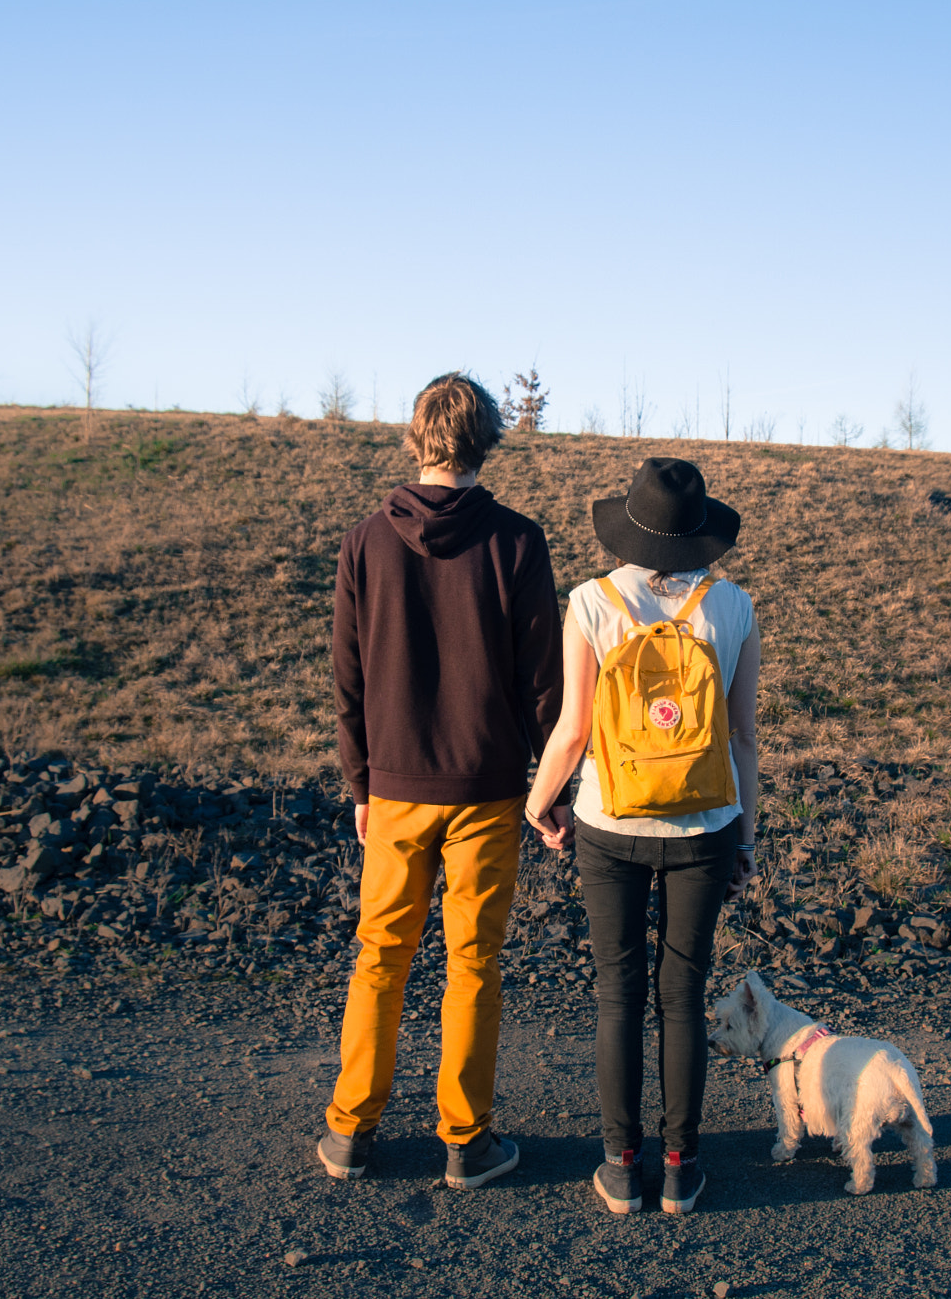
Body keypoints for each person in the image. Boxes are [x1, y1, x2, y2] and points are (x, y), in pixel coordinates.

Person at [317, 372, 564, 1189]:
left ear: (416, 439)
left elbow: (346, 677)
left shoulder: (364, 541)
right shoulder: (518, 542)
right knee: (473, 963)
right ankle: (467, 1140)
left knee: (379, 956)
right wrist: (550, 786)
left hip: (392, 789)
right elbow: (541, 681)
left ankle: (351, 1131)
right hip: (488, 788)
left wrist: (360, 784)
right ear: (487, 441)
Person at [523, 456, 761, 1215]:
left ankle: (622, 1165)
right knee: (683, 993)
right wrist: (746, 837)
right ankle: (681, 1166)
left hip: (609, 823)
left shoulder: (591, 602)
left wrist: (541, 800)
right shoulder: (735, 608)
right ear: (700, 536)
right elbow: (745, 738)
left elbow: (571, 731)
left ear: (628, 527)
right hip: (706, 827)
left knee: (618, 994)